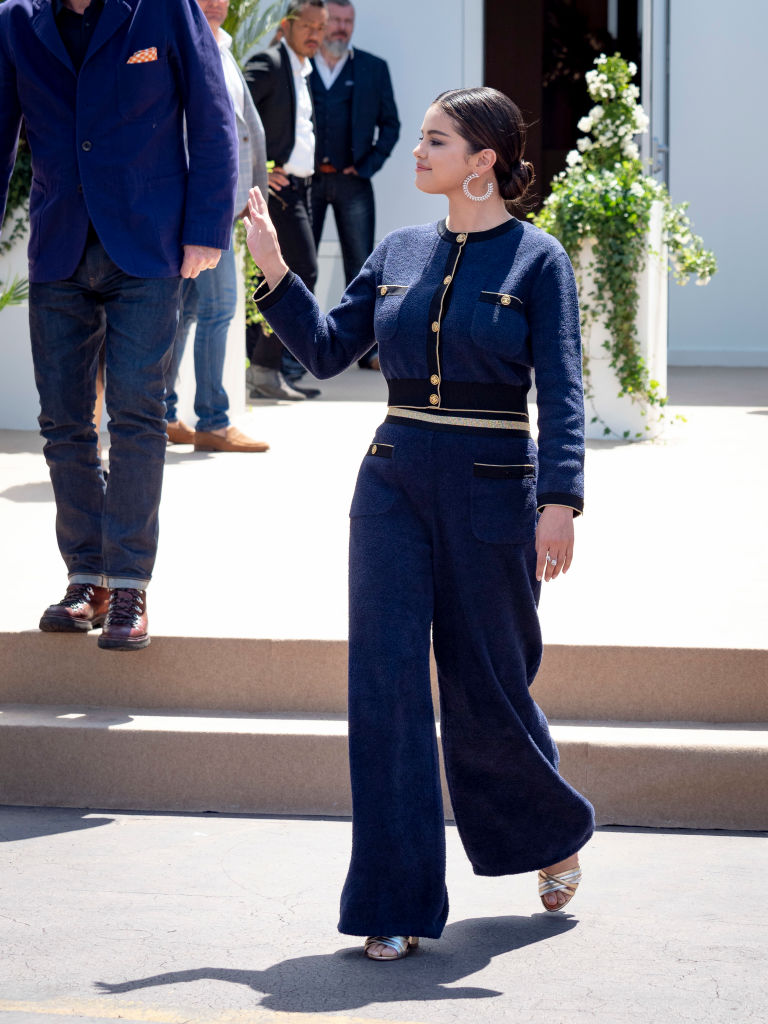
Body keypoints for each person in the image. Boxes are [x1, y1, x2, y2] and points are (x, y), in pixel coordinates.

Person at [244, 86, 594, 959]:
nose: (417, 152)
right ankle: (391, 902)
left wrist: (560, 501)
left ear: (483, 159)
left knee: (489, 690)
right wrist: (275, 270)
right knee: (387, 692)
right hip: (392, 486)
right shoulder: (399, 249)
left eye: (435, 141)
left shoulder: (538, 260)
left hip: (494, 496)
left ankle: (549, 830)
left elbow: (562, 389)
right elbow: (328, 350)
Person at [0, 0, 238, 650]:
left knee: (135, 415)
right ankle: (87, 577)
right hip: (60, 247)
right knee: (64, 422)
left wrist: (207, 226)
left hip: (150, 244)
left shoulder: (164, 8)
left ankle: (129, 582)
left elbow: (212, 115)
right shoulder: (16, 19)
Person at [164, 0, 270, 454]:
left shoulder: (222, 46)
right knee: (217, 310)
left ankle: (163, 413)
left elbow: (242, 130)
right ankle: (213, 421)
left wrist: (252, 195)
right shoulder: (183, 45)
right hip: (202, 208)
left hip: (220, 205)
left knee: (187, 314)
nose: (214, 3)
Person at [243, 0, 328, 401]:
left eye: (320, 27)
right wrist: (259, 169)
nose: (315, 34)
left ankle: (266, 369)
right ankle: (263, 366)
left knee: (286, 275)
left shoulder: (303, 69)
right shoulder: (270, 62)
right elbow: (231, 108)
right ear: (287, 25)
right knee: (302, 271)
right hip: (277, 189)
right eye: (307, 25)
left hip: (302, 187)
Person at [309, 0, 400, 371]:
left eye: (348, 22)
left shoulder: (373, 68)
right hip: (306, 182)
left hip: (353, 183)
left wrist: (367, 167)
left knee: (363, 268)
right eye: (336, 21)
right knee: (299, 263)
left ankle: (367, 351)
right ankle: (289, 351)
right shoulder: (300, 64)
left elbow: (390, 125)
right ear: (322, 23)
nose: (342, 29)